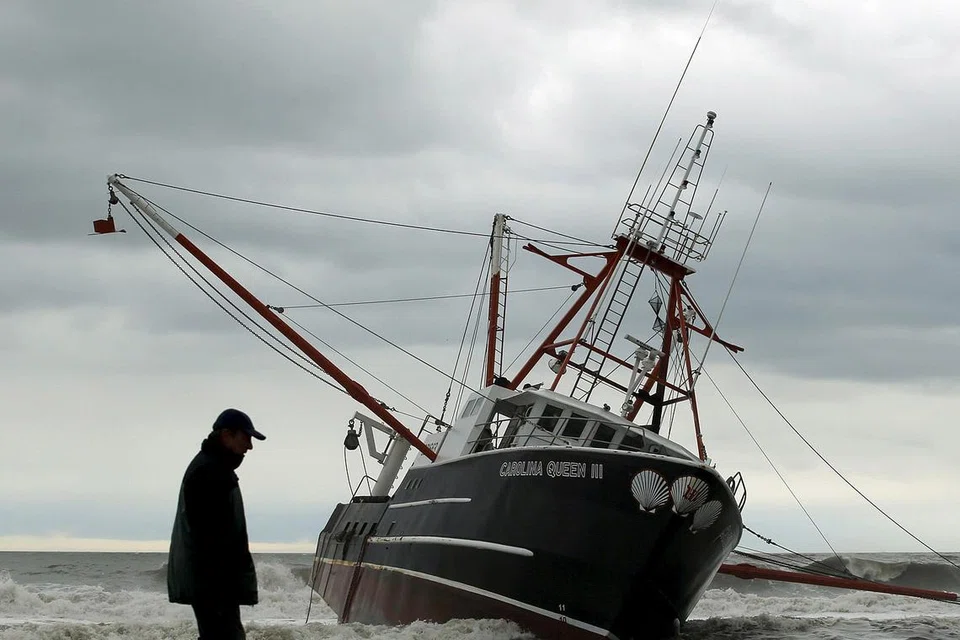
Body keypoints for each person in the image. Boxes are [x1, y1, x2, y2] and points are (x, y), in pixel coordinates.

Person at [167, 408, 266, 640]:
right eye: (245, 437)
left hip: (211, 581)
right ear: (226, 435)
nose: (249, 446)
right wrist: (223, 583)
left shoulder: (213, 467)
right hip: (213, 582)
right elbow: (211, 536)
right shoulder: (210, 472)